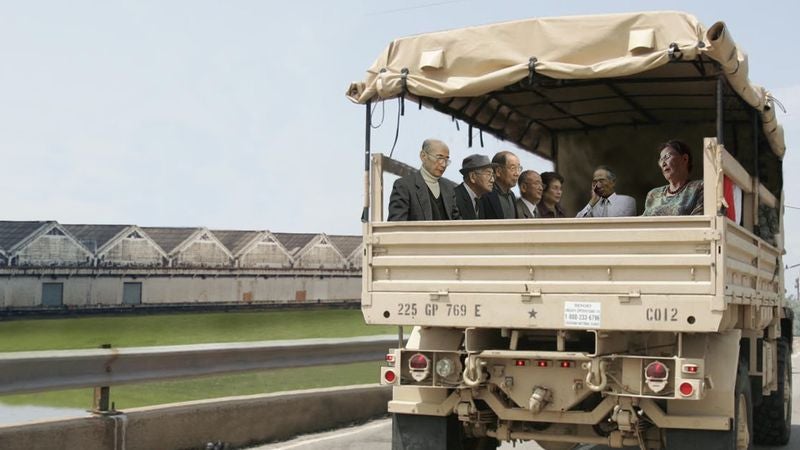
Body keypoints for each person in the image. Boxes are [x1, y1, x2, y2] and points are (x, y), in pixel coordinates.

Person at [387, 139, 460, 221]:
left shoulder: (448, 187)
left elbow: (457, 223)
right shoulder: (404, 186)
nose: (443, 164)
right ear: (423, 156)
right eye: (439, 158)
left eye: (446, 160)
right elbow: (397, 226)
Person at [642, 140, 704, 216]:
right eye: (661, 159)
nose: (663, 163)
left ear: (685, 159)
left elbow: (699, 222)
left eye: (667, 157)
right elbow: (643, 222)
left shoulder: (699, 187)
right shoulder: (653, 194)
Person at [481, 151, 522, 219]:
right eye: (513, 168)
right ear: (498, 171)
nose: (517, 173)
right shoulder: (484, 194)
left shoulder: (512, 195)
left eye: (518, 168)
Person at [454, 154, 495, 220]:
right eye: (488, 174)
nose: (492, 180)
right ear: (472, 177)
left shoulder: (482, 200)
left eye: (492, 175)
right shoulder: (454, 198)